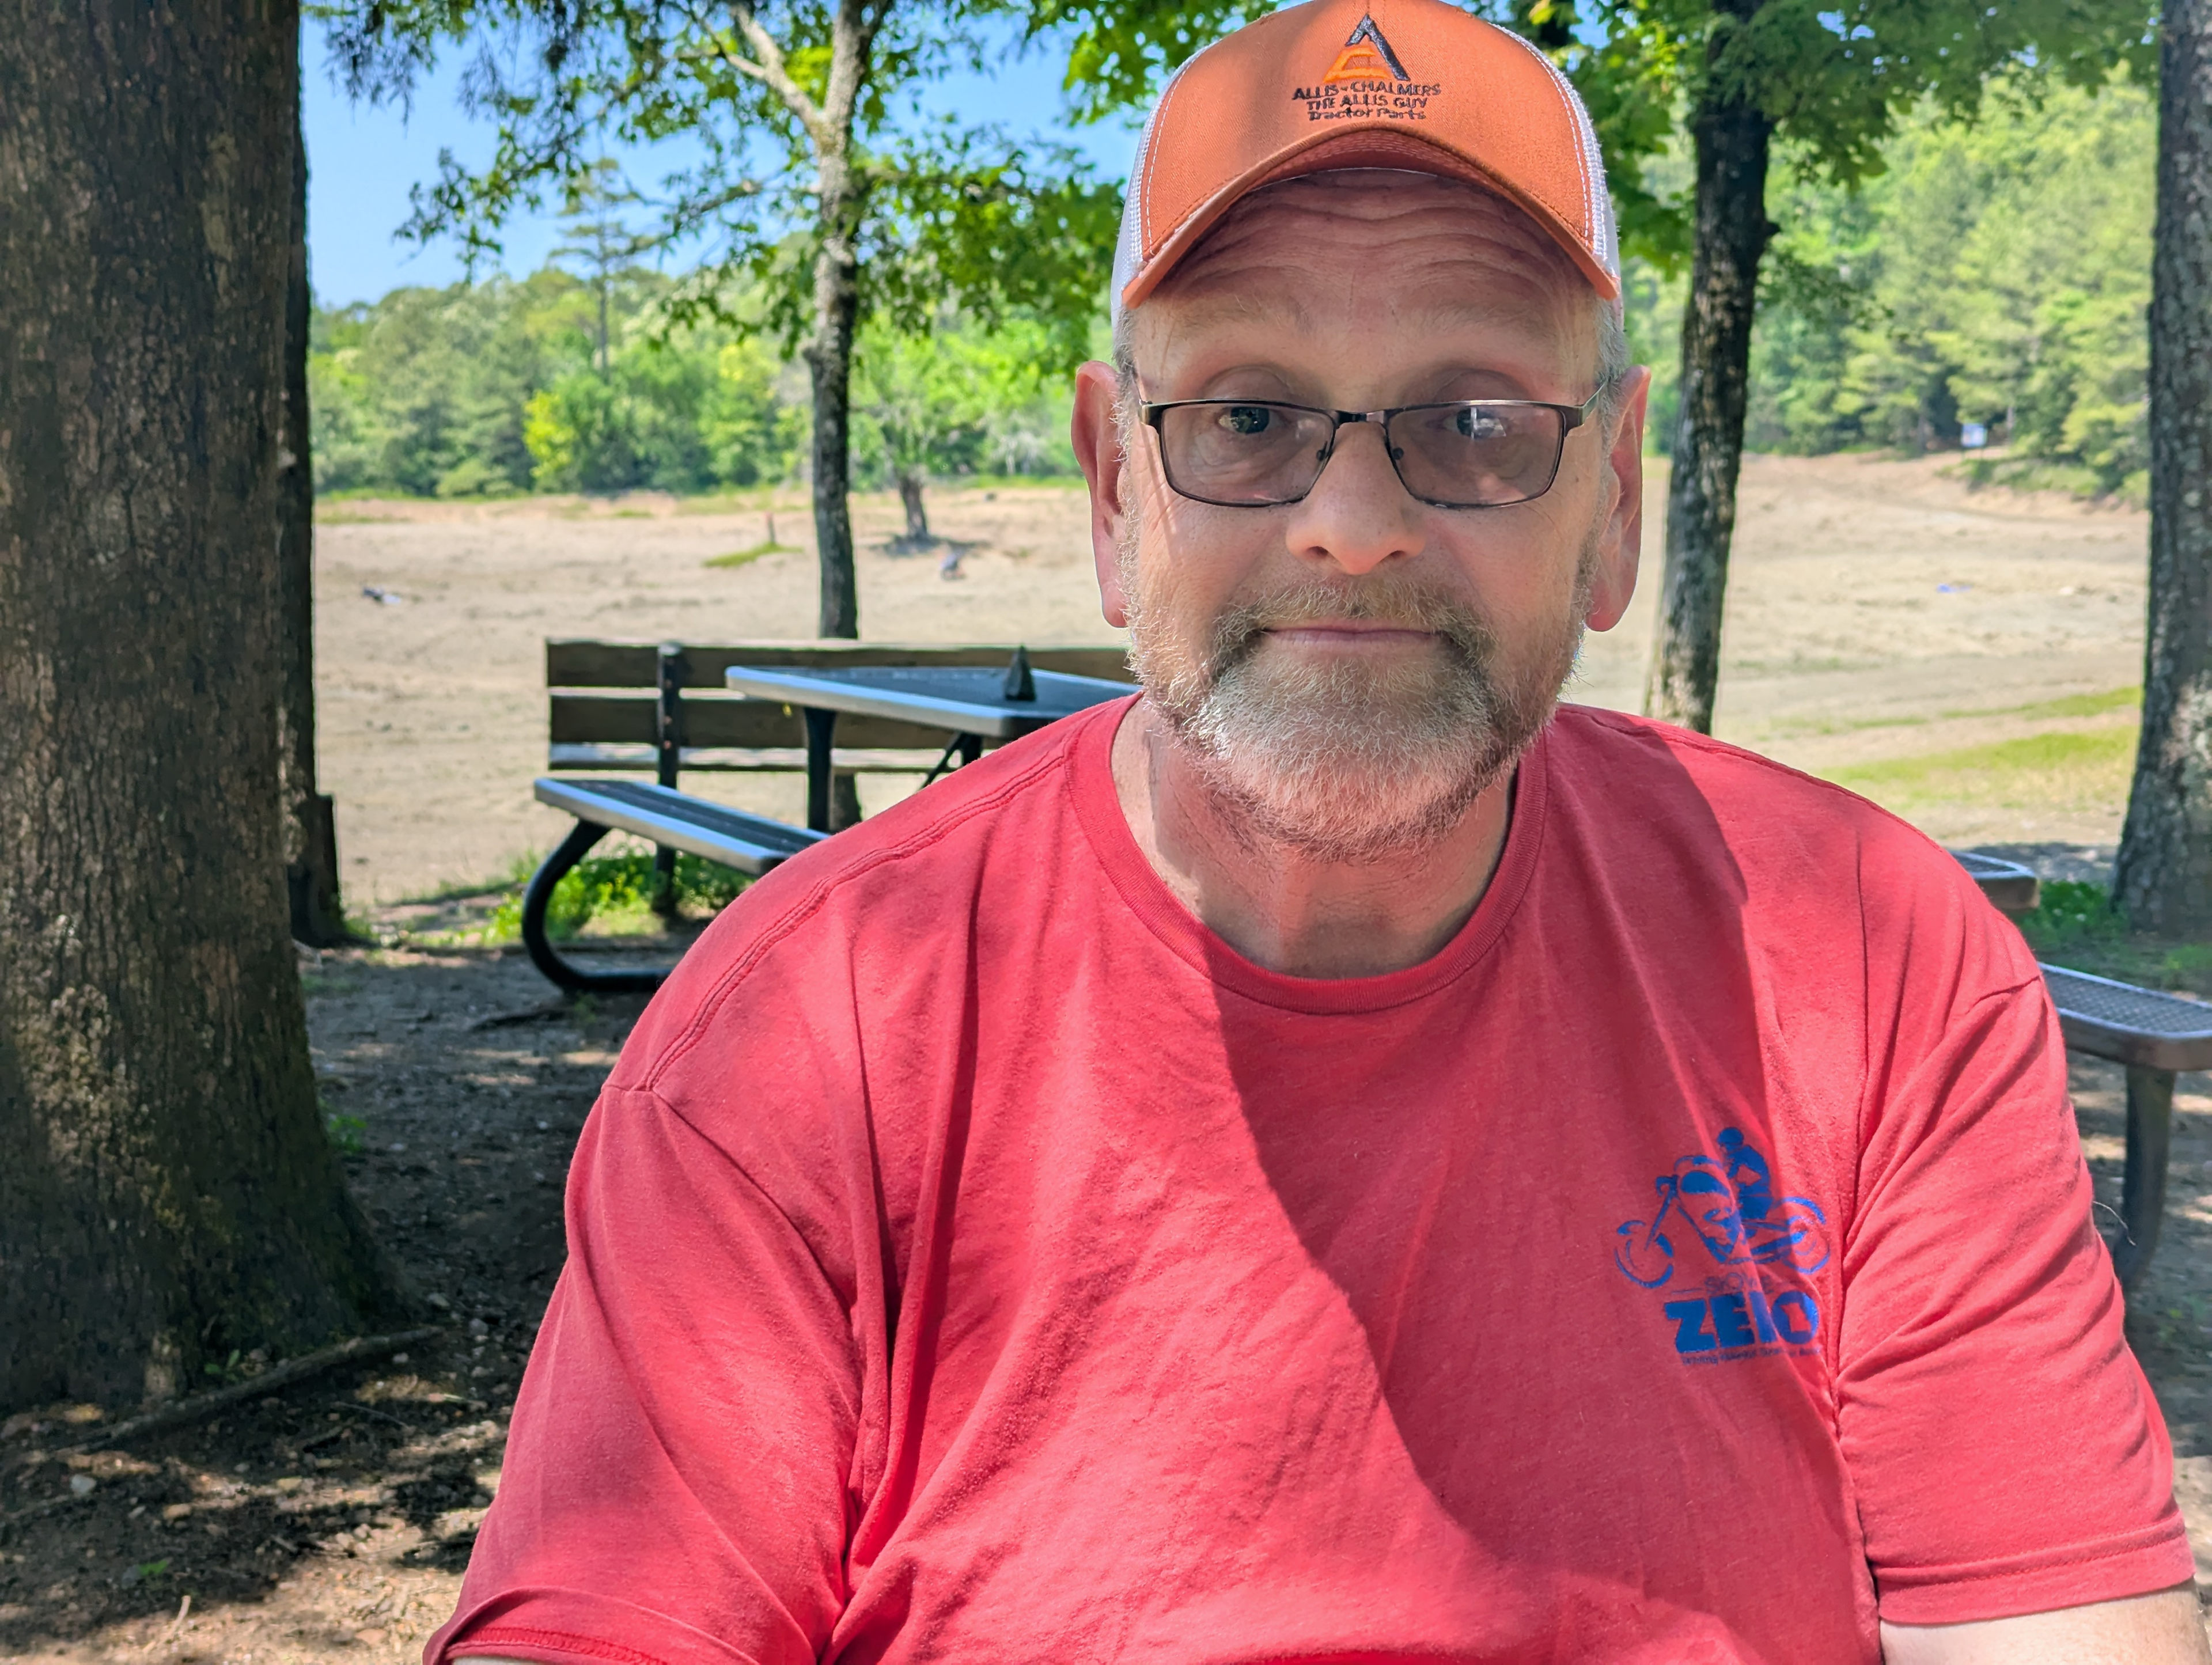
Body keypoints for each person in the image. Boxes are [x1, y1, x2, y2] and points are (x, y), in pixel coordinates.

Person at [428, 1, 2205, 1659]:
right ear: (1114, 486)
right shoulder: (802, 1038)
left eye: (1476, 422)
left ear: (1613, 501)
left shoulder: (1869, 961)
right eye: (1251, 416)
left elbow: (2057, 1614)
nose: (1353, 522)